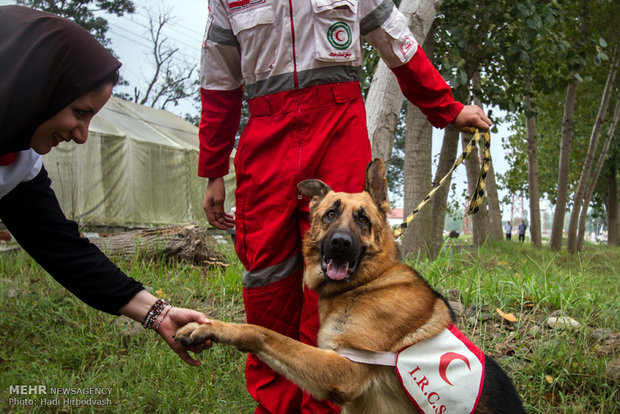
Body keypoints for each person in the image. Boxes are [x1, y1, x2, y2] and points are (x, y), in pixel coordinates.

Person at [197, 1, 492, 413]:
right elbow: (218, 79)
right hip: (266, 136)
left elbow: (396, 40)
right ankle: (274, 407)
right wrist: (213, 168)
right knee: (266, 280)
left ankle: (328, 402)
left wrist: (447, 107)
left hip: (338, 125)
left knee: (343, 273)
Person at [0, 6, 209, 366]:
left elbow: (62, 248)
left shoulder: (19, 163)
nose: (81, 135)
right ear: (37, 90)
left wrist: (157, 312)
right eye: (79, 113)